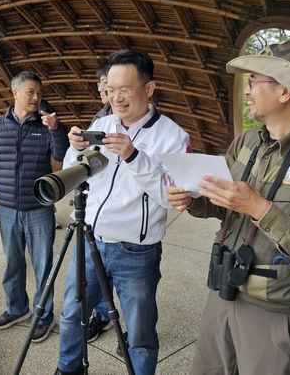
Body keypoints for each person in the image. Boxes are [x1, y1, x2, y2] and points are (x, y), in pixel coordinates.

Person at [167, 41, 290, 375]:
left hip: (280, 312)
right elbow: (227, 206)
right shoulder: (246, 143)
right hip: (225, 290)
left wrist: (262, 209)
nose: (246, 90)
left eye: (254, 80)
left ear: (285, 91)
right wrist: (195, 201)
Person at [55, 50, 192, 375]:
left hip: (136, 251)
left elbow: (170, 197)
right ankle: (68, 368)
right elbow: (74, 174)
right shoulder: (101, 124)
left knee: (140, 332)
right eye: (110, 89)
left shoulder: (173, 136)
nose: (116, 98)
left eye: (125, 89)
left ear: (148, 88)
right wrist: (74, 150)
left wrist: (133, 156)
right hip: (89, 242)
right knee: (72, 314)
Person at [0, 71, 69, 343]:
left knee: (43, 265)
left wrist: (56, 129)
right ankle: (16, 308)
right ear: (15, 93)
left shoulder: (47, 125)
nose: (36, 97)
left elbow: (62, 155)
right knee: (13, 264)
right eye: (31, 92)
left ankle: (43, 315)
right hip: (6, 208)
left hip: (39, 208)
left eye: (39, 93)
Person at [86, 61, 115, 343]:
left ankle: (129, 330)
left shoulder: (133, 117)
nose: (104, 88)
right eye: (101, 84)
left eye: (107, 81)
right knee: (97, 270)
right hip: (100, 209)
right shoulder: (99, 119)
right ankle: (102, 316)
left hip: (128, 216)